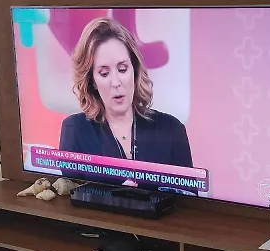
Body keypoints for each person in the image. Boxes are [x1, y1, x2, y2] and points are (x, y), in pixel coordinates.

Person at [58, 17, 193, 182]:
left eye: (122, 69)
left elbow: (188, 196)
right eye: (104, 73)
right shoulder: (75, 130)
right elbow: (71, 195)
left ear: (134, 70)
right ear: (92, 81)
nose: (116, 82)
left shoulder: (171, 130)